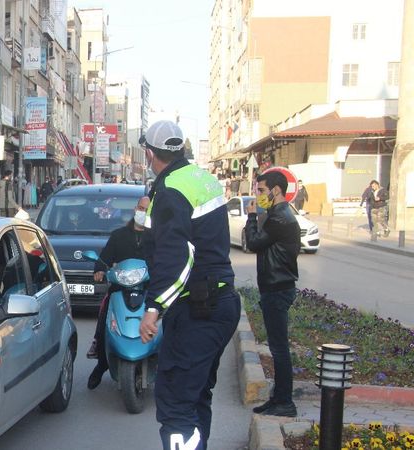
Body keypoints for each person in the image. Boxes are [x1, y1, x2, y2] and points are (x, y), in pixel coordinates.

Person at [137, 120, 240, 450]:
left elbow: (177, 257)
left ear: (150, 154)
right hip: (220, 301)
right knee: (195, 398)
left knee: (176, 402)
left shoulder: (170, 190)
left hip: (198, 308)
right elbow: (171, 235)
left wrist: (154, 309)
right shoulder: (200, 178)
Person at [244, 171, 301, 418]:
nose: (259, 195)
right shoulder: (279, 215)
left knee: (279, 349)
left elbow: (254, 243)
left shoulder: (281, 218)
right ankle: (278, 398)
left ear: (276, 190)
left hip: (278, 289)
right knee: (277, 347)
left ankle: (285, 402)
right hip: (274, 287)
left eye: (262, 190)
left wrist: (252, 216)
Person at [87, 196, 154, 390]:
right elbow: (104, 258)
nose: (143, 213)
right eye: (141, 208)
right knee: (103, 322)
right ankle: (102, 363)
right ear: (135, 209)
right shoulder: (119, 235)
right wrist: (99, 269)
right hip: (119, 289)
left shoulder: (156, 237)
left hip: (149, 290)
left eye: (147, 210)